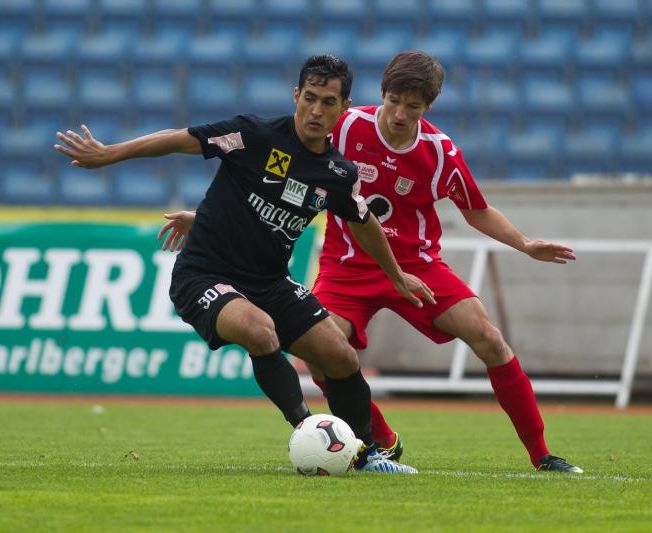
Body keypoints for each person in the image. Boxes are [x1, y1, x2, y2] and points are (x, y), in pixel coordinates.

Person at [158, 51, 584, 473]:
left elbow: (476, 210)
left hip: (416, 265)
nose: (399, 113)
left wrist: (524, 244)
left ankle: (542, 454)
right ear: (381, 94)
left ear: (427, 107)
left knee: (488, 338)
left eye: (412, 106)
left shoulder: (440, 152)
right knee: (328, 356)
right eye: (393, 101)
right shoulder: (343, 124)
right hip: (347, 266)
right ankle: (378, 441)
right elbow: (280, 171)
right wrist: (208, 219)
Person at [54, 54, 436, 474]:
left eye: (329, 102)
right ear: (296, 96)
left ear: (344, 109)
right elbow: (180, 138)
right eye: (310, 98)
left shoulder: (337, 174)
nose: (316, 110)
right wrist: (110, 154)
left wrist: (396, 274)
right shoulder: (252, 135)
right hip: (204, 275)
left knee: (340, 357)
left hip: (270, 281)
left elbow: (363, 223)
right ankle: (309, 432)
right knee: (258, 329)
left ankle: (367, 455)